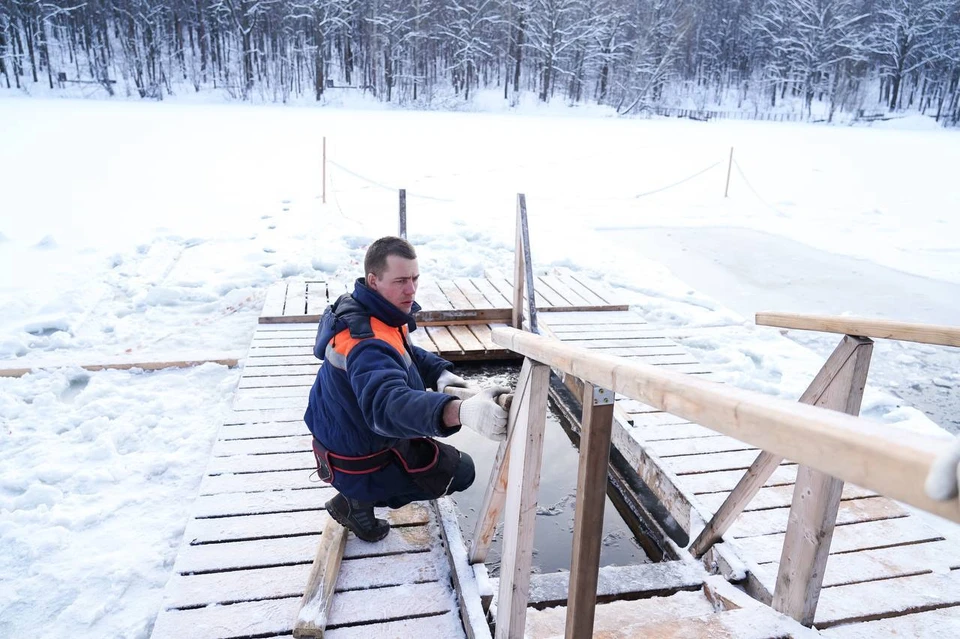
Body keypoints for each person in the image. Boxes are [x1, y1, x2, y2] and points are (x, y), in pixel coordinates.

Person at [304, 236, 510, 542]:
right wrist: (460, 411)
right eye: (401, 280)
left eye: (415, 278)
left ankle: (357, 494)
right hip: (356, 461)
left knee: (428, 440)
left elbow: (403, 354)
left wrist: (440, 374)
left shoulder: (369, 310)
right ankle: (356, 498)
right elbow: (388, 405)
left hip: (344, 439)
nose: (411, 289)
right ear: (374, 280)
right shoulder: (366, 343)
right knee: (462, 471)